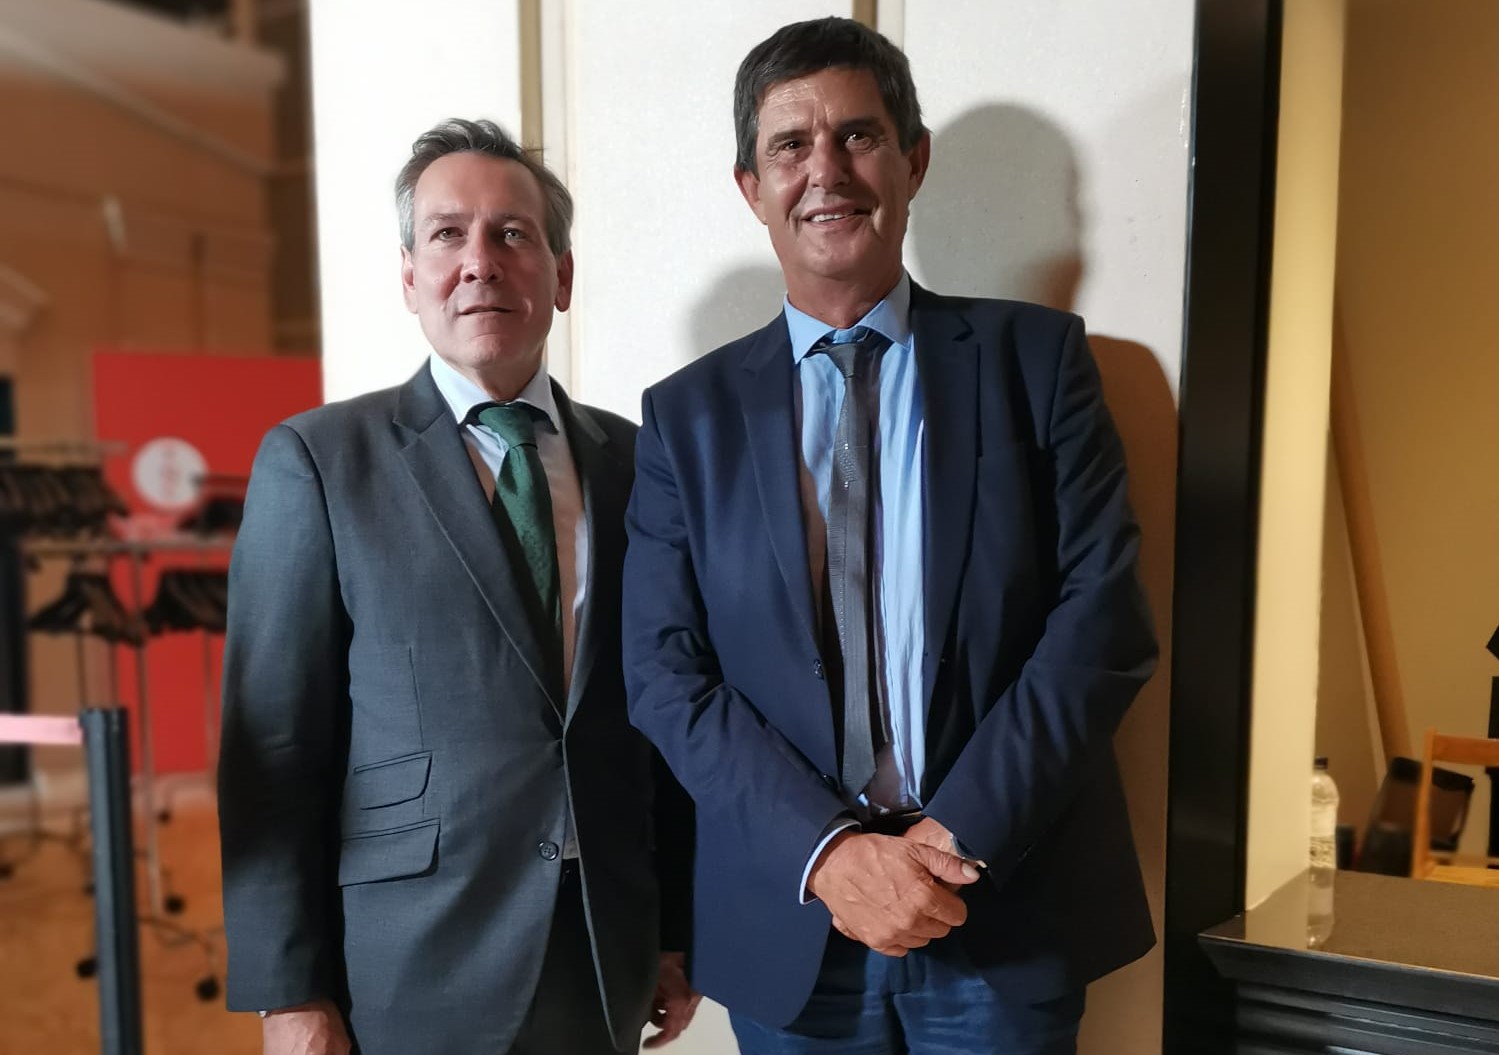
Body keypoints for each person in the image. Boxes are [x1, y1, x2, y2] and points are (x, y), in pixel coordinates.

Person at [622, 18, 1156, 1055]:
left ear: (913, 161)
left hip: (999, 907)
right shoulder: (684, 417)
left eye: (858, 136)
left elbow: (1102, 621)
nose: (825, 171)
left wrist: (954, 836)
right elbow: (663, 673)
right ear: (750, 188)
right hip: (793, 919)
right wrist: (827, 853)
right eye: (789, 146)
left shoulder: (1036, 362)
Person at [219, 118, 697, 1055]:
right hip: (408, 965)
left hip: (602, 949)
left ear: (561, 274)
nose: (481, 261)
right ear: (410, 276)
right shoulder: (319, 461)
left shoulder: (637, 462)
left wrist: (675, 927)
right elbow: (271, 746)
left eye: (513, 234)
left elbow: (664, 714)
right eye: (448, 234)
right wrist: (288, 993)